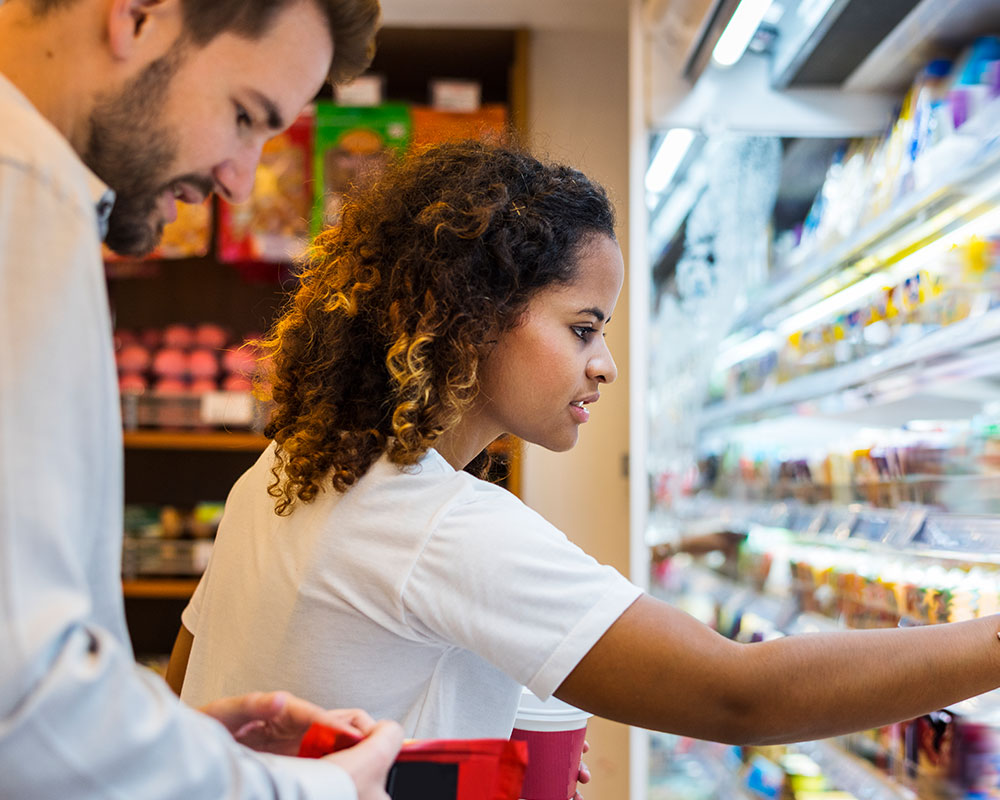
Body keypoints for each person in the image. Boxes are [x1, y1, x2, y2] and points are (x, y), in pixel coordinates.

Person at [171, 140, 1000, 752]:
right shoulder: (441, 524)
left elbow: (193, 680)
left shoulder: (282, 473)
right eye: (582, 329)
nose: (603, 367)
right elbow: (742, 695)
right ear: (464, 313)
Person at [0, 0, 403, 797]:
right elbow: (26, 699)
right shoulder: (26, 190)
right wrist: (317, 791)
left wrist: (169, 746)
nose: (240, 179)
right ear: (139, 15)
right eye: (246, 116)